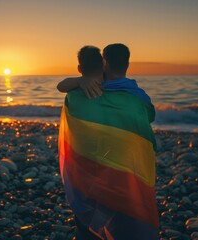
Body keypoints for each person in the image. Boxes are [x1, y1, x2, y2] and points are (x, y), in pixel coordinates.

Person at [58, 43, 159, 239]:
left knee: (88, 219)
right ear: (128, 63)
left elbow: (62, 87)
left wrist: (80, 81)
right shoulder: (139, 99)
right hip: (123, 169)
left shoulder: (79, 95)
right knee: (122, 214)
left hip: (86, 171)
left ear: (104, 64)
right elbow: (148, 117)